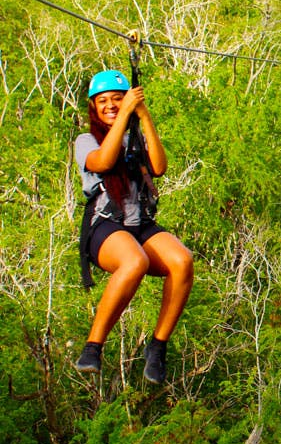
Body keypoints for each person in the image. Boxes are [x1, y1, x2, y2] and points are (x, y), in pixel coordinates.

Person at [74, 69, 194, 384]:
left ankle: (157, 348)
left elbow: (159, 167)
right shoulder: (86, 140)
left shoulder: (135, 137)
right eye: (103, 101)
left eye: (117, 99)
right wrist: (126, 110)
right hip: (106, 226)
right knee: (134, 261)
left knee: (182, 262)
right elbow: (102, 162)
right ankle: (93, 347)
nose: (111, 106)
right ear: (93, 107)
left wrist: (142, 113)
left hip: (140, 224)